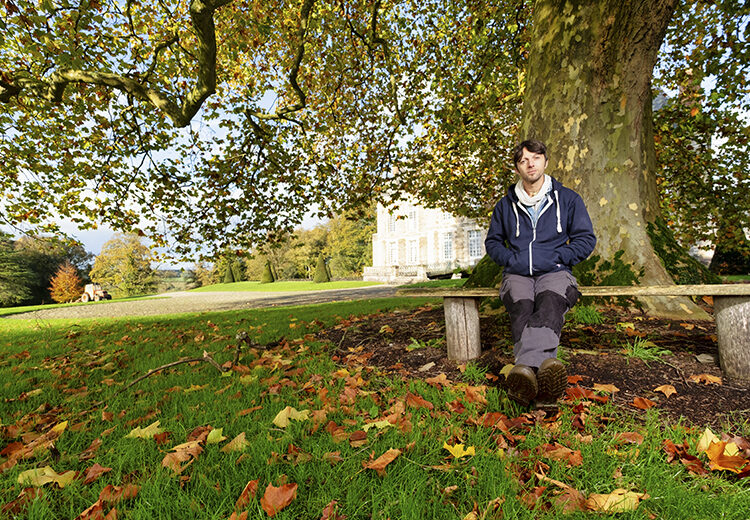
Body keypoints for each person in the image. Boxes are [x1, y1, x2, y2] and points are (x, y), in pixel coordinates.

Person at [485, 139, 596, 406]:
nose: (530, 163)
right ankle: (545, 384)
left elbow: (585, 239)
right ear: (517, 168)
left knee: (549, 307)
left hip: (556, 272)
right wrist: (512, 260)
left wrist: (559, 257)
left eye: (535, 158)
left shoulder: (568, 199)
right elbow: (493, 242)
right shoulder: (504, 205)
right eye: (523, 160)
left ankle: (524, 374)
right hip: (518, 274)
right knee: (521, 310)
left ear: (545, 162)